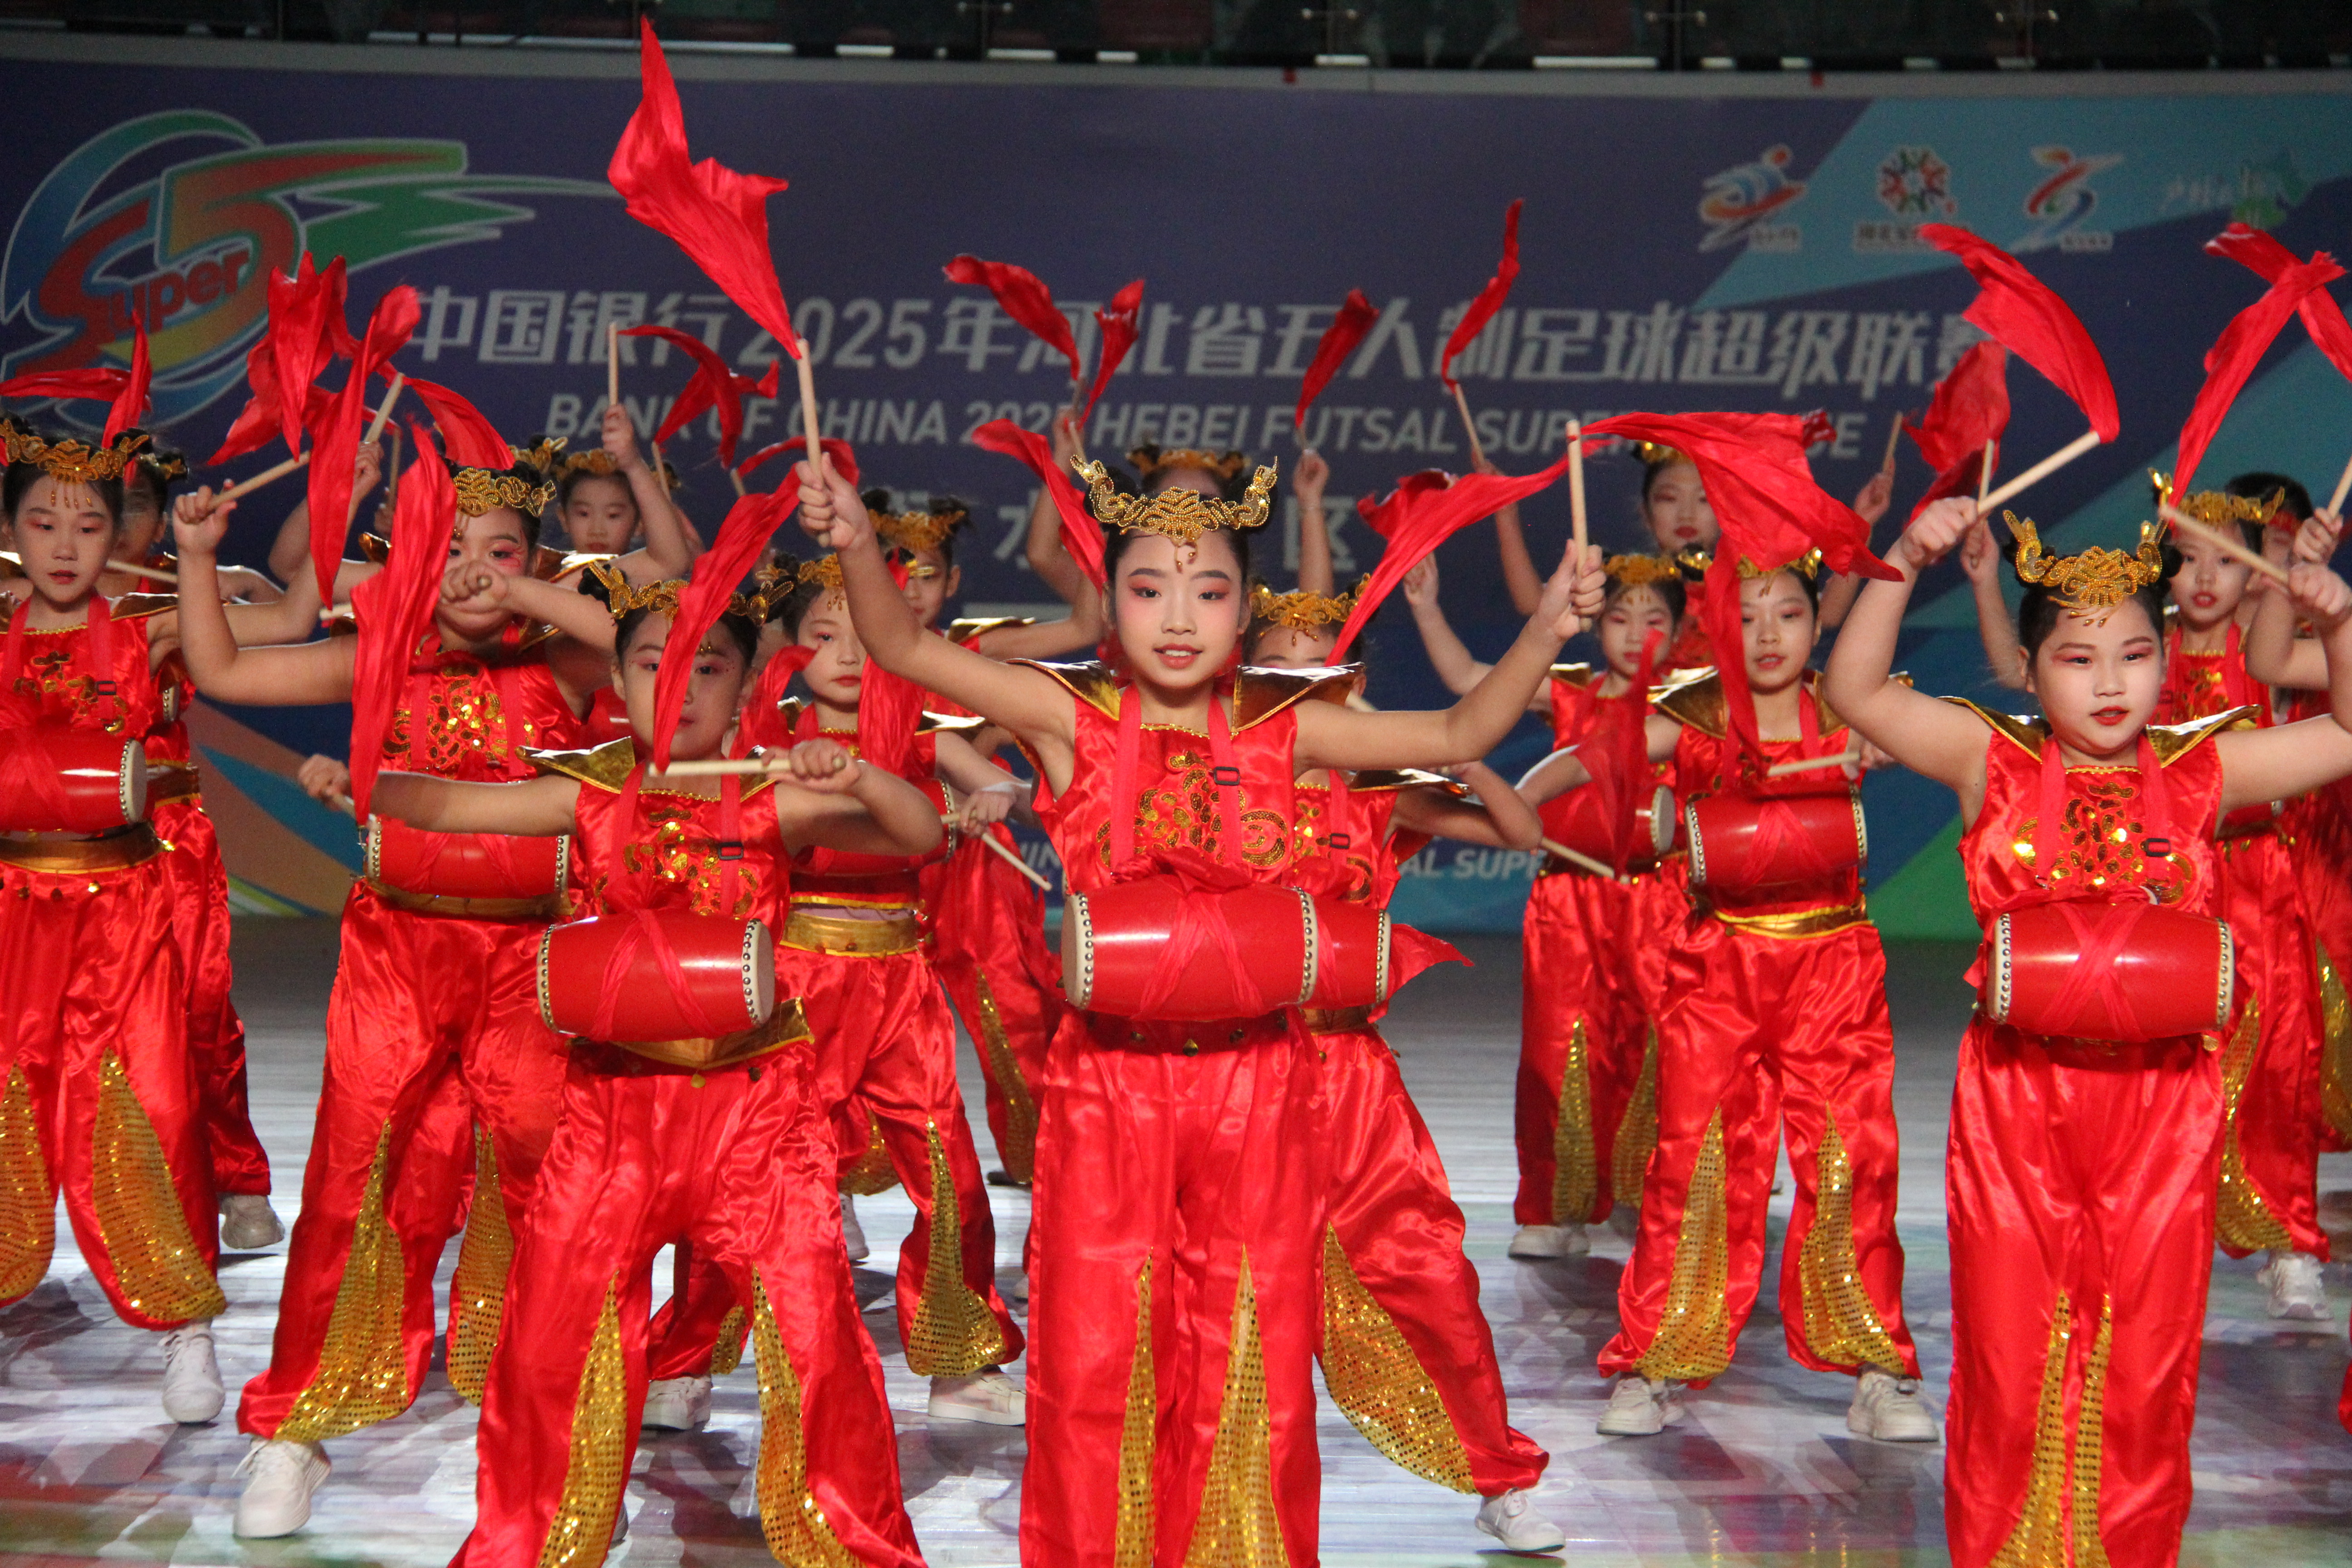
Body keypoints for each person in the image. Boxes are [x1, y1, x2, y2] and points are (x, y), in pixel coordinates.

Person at [794, 442, 1605, 1567]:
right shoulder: (1066, 716)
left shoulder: (1289, 727)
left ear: (1245, 607)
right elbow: (900, 647)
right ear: (1112, 600)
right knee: (1096, 1356)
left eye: (1211, 592)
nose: (1179, 618)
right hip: (1107, 1089)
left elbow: (1458, 737)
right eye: (1148, 589)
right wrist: (852, 546)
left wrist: (1550, 628)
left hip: (1258, 1086)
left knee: (1246, 1356)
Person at [1824, 494, 2352, 1568]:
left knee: (2146, 1363)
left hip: (2165, 1111)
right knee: (2010, 1354)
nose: (2111, 683)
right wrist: (1904, 558)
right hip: (2019, 1106)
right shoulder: (1991, 762)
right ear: (2028, 669)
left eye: (2135, 655)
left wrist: (2338, 626)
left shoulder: (2204, 773)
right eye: (2077, 658)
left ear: (2165, 659)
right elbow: (1857, 693)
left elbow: (2345, 732)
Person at [370, 585, 940, 1568]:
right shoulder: (586, 795)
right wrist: (356, 780)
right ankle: (538, 1531)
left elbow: (920, 833)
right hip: (611, 1110)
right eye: (651, 666)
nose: (679, 689)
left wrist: (856, 772)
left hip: (757, 1116)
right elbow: (448, 803)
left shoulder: (771, 800)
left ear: (745, 689)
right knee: (548, 1336)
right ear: (619, 679)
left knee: (816, 1333)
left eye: (707, 670)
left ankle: (845, 1529)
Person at [172, 440, 619, 1537]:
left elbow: (668, 642)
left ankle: (567, 1445)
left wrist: (522, 593)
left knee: (554, 1194)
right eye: (448, 549)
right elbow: (222, 672)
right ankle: (295, 1427)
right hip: (396, 959)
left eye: (499, 551)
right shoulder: (382, 654)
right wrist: (195, 557)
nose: (470, 571)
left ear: (537, 563)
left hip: (534, 964)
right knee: (351, 1182)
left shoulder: (567, 661)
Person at [1524, 554, 1931, 1444]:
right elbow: (1588, 758)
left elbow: (1948, 749)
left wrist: (1882, 744)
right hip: (1719, 968)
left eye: (1790, 614)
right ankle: (1656, 1359)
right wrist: (1523, 804)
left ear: (1818, 623)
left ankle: (1879, 1369)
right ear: (1717, 630)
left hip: (1833, 967)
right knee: (1694, 1162)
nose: (1770, 634)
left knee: (1851, 1160)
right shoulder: (1694, 718)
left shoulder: (1850, 712)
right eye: (1747, 618)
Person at [639, 552, 1029, 1431]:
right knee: (750, 1180)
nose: (849, 655)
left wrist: (992, 801)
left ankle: (960, 1364)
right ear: (789, 644)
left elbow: (996, 778)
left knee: (952, 1181)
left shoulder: (917, 727)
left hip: (901, 987)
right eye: (824, 636)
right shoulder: (765, 736)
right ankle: (685, 1363)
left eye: (865, 636)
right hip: (795, 982)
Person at [0, 418, 282, 1426]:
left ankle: (184, 1324)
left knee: (153, 1102)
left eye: (89, 524)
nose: (66, 546)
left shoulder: (145, 628)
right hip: (8, 913)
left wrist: (202, 562)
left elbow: (288, 620)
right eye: (43, 524)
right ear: (12, 532)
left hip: (123, 910)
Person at [1287, 745, 1566, 1553]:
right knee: (1227, 1296)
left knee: (1427, 1273)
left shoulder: (1377, 791)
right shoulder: (1203, 783)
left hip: (1352, 1083)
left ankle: (1501, 1478)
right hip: (1232, 1075)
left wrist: (1463, 757)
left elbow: (1520, 832)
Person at [2145, 479, 2330, 1318]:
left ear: (2254, 571)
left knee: (2282, 1067)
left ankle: (2291, 1241)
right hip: (2173, 883)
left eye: (2225, 560)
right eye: (2187, 560)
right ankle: (2158, 1233)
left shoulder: (2262, 646)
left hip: (2260, 879)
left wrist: (2297, 577)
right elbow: (2022, 671)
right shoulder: (2145, 651)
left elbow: (2278, 657)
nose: (2204, 579)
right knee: (2172, 1068)